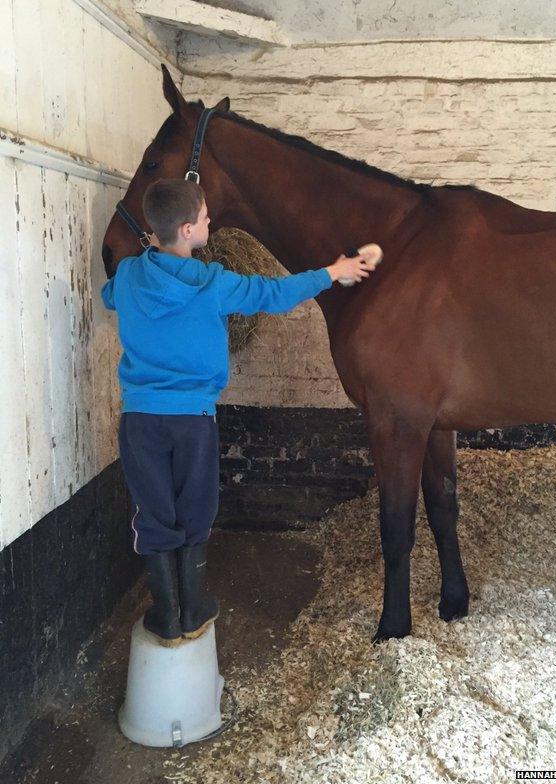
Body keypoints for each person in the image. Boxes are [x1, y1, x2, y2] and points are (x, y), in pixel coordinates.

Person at [100, 178, 376, 647]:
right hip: (193, 420)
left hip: (141, 420)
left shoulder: (126, 277)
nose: (212, 221)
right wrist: (333, 272)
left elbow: (110, 298)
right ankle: (196, 609)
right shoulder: (213, 284)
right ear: (187, 230)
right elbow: (274, 294)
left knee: (154, 510)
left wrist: (146, 264)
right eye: (206, 217)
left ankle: (167, 617)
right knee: (196, 507)